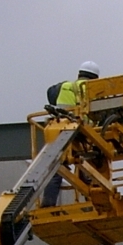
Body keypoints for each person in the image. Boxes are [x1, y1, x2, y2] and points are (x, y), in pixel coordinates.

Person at [41, 60, 101, 206]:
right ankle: (93, 203)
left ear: (79, 74)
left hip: (60, 131)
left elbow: (51, 94)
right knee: (86, 168)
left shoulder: (65, 86)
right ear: (95, 78)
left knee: (57, 168)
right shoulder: (94, 89)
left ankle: (48, 203)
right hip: (83, 134)